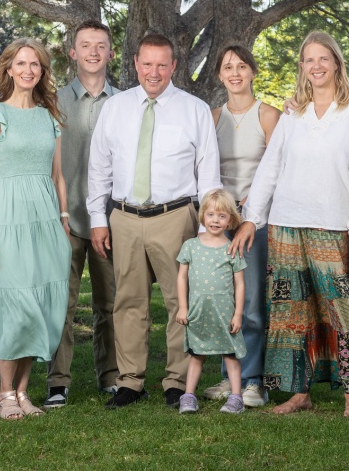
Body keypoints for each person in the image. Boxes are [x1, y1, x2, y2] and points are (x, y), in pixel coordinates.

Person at [231, 31, 349, 417]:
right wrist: (252, 218)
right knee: (290, 312)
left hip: (333, 225)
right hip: (286, 223)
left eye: (323, 59)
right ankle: (299, 393)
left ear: (336, 63)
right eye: (309, 60)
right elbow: (270, 168)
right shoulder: (293, 114)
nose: (316, 66)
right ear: (302, 67)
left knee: (341, 310)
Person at [87, 33, 222, 409]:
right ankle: (130, 381)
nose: (154, 72)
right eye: (147, 64)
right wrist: (98, 217)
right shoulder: (115, 107)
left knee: (181, 301)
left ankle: (177, 382)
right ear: (135, 63)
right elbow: (99, 166)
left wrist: (205, 229)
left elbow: (209, 174)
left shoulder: (194, 109)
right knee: (128, 301)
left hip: (175, 216)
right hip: (125, 217)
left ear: (174, 66)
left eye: (162, 65)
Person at [0, 38, 71, 420]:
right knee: (13, 304)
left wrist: (64, 220)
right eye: (21, 63)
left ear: (42, 71)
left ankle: (21, 391)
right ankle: (3, 393)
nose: (28, 70)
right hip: (7, 218)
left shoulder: (50, 118)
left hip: (45, 220)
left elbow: (58, 176)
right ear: (9, 69)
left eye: (35, 64)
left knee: (39, 306)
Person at [45, 20, 120, 408]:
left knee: (111, 304)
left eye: (100, 45)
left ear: (111, 53)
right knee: (63, 304)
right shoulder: (52, 102)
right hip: (66, 218)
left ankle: (112, 376)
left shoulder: (125, 103)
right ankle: (58, 381)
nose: (93, 51)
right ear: (73, 53)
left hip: (110, 220)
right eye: (85, 45)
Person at [201, 44, 280, 408]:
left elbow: (277, 170)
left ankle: (254, 381)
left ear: (253, 72)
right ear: (220, 74)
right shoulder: (212, 117)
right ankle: (229, 375)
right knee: (224, 300)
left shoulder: (269, 115)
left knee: (250, 303)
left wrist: (251, 211)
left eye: (242, 66)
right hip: (220, 221)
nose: (235, 73)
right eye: (228, 67)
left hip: (255, 220)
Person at [176, 189, 247, 415]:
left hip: (224, 313)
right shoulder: (190, 246)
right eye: (211, 214)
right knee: (197, 354)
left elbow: (240, 284)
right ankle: (189, 396)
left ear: (230, 220)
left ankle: (236, 398)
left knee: (230, 355)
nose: (215, 220)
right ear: (202, 216)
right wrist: (183, 307)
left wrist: (237, 314)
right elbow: (181, 278)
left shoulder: (232, 248)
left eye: (222, 216)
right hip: (198, 312)